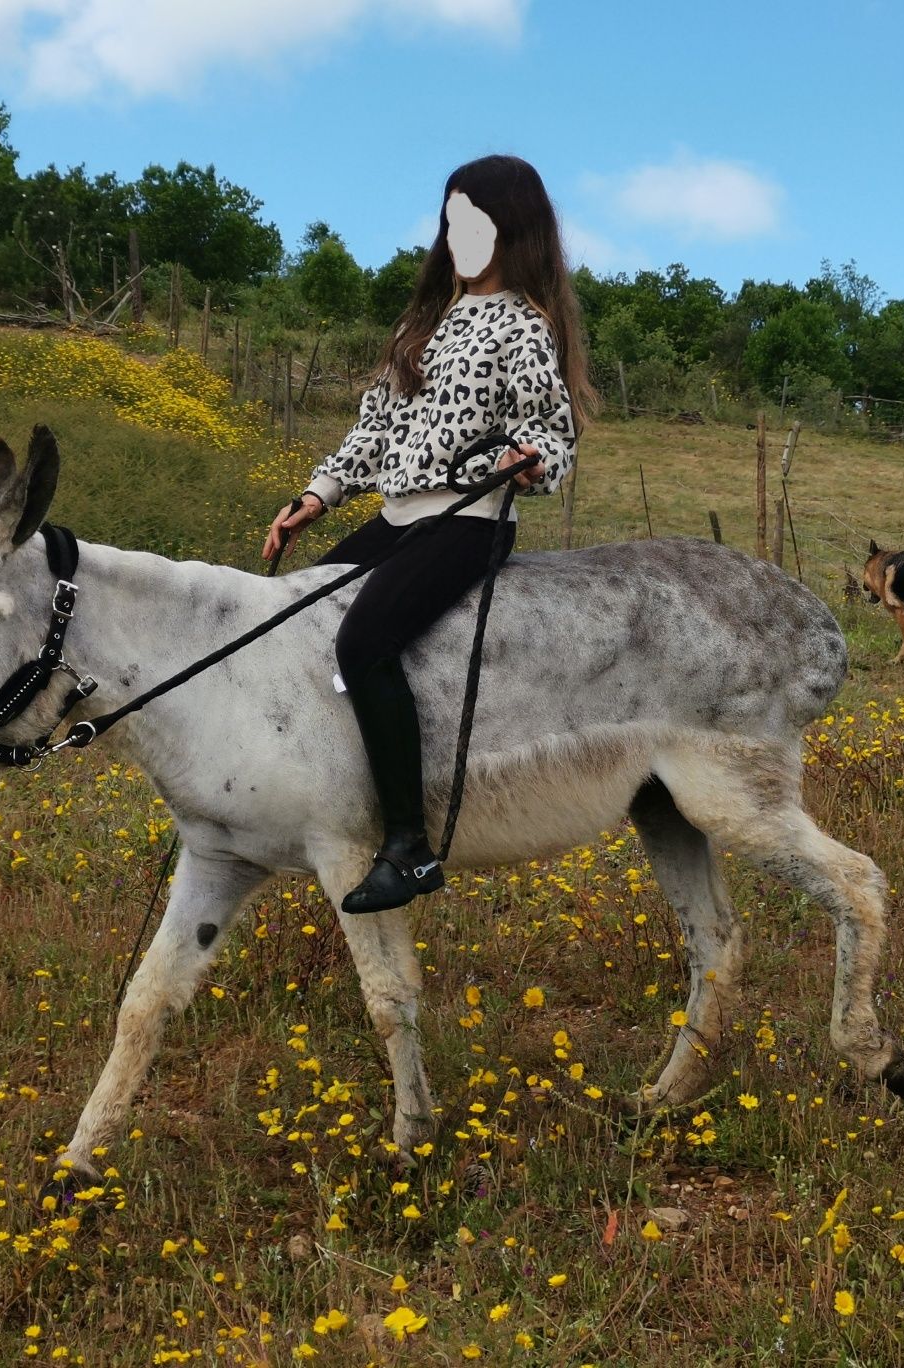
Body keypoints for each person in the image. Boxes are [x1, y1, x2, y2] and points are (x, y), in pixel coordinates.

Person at [261, 154, 595, 915]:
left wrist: (528, 463)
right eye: (452, 221)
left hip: (468, 522)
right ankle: (319, 783)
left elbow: (554, 432)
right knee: (290, 615)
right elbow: (373, 426)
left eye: (475, 221)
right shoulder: (421, 323)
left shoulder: (522, 325)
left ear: (514, 231)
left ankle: (408, 846)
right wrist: (317, 494)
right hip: (396, 517)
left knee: (362, 642)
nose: (460, 235)